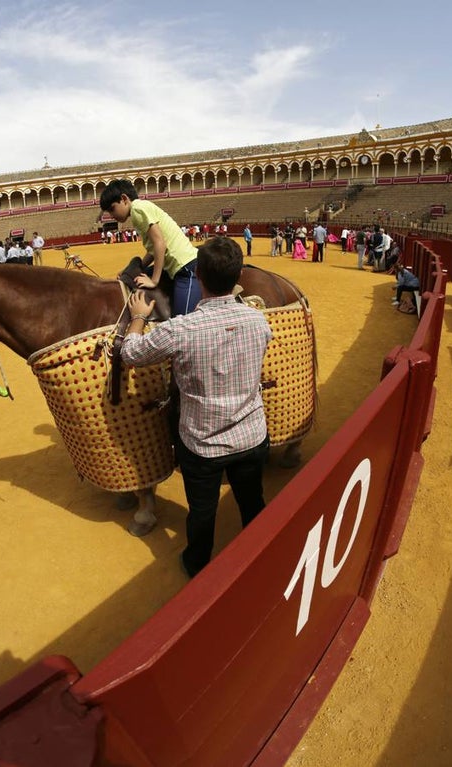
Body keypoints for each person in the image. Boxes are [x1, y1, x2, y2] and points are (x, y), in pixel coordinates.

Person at [121, 237, 272, 578]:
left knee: (202, 512)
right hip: (251, 435)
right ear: (238, 277)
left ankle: (197, 564)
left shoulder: (180, 329)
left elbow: (130, 353)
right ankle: (263, 554)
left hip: (204, 445)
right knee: (253, 500)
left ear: (199, 276)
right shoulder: (258, 322)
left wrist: (138, 318)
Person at [100, 179, 202, 316]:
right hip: (175, 265)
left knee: (182, 319)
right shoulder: (141, 207)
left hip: (186, 267)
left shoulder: (137, 209)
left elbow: (160, 243)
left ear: (124, 199)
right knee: (135, 276)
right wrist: (134, 269)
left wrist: (154, 281)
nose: (112, 216)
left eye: (112, 209)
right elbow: (154, 250)